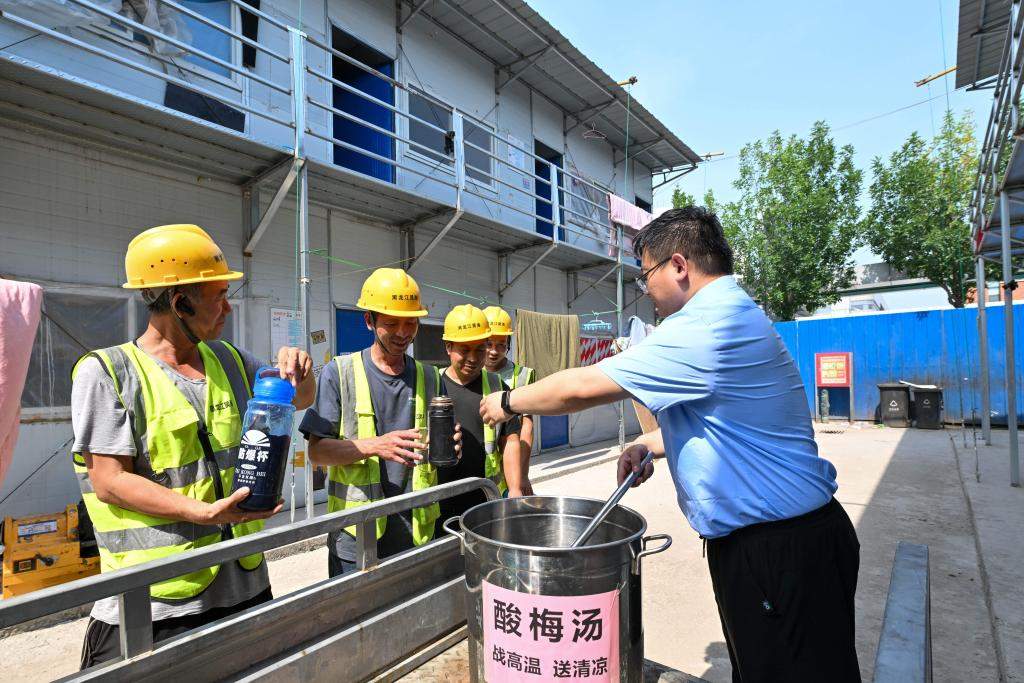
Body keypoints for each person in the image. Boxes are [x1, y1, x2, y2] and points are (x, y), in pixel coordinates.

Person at [481, 207, 860, 683]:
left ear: (679, 266)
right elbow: (724, 424)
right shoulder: (732, 314)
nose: (646, 290)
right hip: (785, 543)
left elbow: (581, 387)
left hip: (780, 550)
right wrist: (650, 444)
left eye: (646, 275)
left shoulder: (706, 326)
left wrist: (509, 400)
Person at [72, 224, 314, 669]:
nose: (227, 308)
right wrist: (202, 512)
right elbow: (109, 481)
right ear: (180, 302)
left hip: (244, 583)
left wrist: (303, 366)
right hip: (156, 603)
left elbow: (300, 397)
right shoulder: (108, 372)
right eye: (218, 296)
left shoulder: (231, 360)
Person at [302, 268, 459, 576]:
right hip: (357, 537)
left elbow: (436, 459)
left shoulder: (430, 377)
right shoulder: (340, 373)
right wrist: (375, 446)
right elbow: (317, 452)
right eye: (391, 323)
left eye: (411, 322)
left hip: (417, 531)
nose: (403, 332)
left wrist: (450, 446)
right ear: (369, 321)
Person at [437, 304, 523, 521]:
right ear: (448, 347)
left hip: (485, 501)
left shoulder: (498, 387)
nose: (473, 358)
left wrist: (515, 488)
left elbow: (510, 441)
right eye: (464, 350)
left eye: (480, 349)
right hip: (437, 502)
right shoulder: (432, 385)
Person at [482, 306, 534, 496]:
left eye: (501, 345)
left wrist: (522, 474)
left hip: (508, 472)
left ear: (508, 345)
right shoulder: (469, 372)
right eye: (488, 344)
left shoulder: (521, 376)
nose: (494, 351)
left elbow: (526, 428)